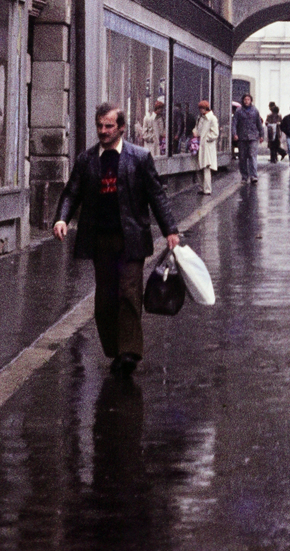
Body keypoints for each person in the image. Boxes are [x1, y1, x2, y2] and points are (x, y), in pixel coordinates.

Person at [53, 103, 179, 376]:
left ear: (121, 128)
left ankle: (129, 353)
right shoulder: (87, 160)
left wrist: (170, 229)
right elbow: (71, 192)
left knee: (129, 293)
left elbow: (156, 196)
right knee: (105, 300)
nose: (103, 131)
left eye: (109, 126)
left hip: (131, 238)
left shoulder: (139, 158)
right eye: (100, 126)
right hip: (100, 239)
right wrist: (61, 218)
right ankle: (114, 349)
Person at [234, 93, 262, 183]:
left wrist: (261, 135)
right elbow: (234, 123)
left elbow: (259, 124)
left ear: (251, 101)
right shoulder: (238, 111)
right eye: (245, 99)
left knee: (252, 156)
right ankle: (244, 176)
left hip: (253, 136)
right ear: (243, 100)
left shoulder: (255, 111)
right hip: (242, 137)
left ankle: (253, 175)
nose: (246, 101)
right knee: (242, 157)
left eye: (248, 99)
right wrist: (234, 134)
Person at [195, 99, 219, 194]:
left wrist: (206, 138)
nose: (201, 110)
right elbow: (198, 130)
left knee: (206, 168)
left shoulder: (212, 119)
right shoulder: (201, 118)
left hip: (207, 147)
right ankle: (201, 188)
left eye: (202, 108)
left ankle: (207, 189)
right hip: (201, 146)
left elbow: (215, 133)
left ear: (206, 108)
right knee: (199, 168)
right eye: (200, 108)